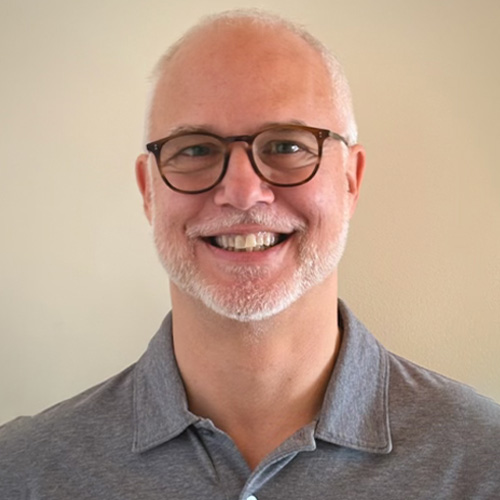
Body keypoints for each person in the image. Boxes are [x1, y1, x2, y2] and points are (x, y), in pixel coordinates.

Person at [1, 9, 499, 499]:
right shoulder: (21, 474)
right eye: (195, 149)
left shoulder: (485, 463)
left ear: (350, 180)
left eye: (286, 146)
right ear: (148, 191)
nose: (241, 192)